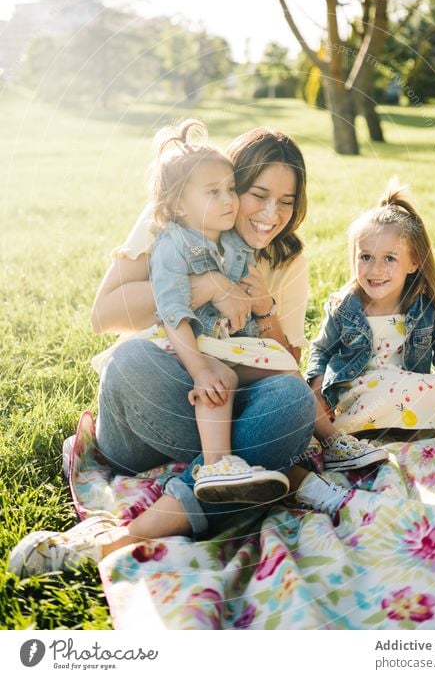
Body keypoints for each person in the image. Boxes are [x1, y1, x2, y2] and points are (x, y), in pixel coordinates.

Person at [9, 126, 335, 578]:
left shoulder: (285, 257)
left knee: (292, 402)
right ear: (228, 184)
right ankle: (255, 468)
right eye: (258, 194)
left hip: (225, 404)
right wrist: (205, 285)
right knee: (131, 361)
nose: (270, 214)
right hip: (153, 411)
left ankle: (124, 538)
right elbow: (103, 316)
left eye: (286, 202)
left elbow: (284, 364)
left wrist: (265, 308)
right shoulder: (170, 217)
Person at [142, 118, 299, 505]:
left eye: (230, 189)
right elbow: (171, 310)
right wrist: (199, 368)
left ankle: (329, 441)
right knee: (221, 378)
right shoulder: (172, 240)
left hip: (225, 345)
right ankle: (215, 464)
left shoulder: (233, 241)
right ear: (178, 203)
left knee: (287, 374)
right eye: (216, 191)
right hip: (187, 351)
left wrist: (263, 306)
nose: (229, 200)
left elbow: (256, 309)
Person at [305, 180, 435, 443]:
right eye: (365, 257)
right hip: (363, 394)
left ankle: (412, 424)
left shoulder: (431, 308)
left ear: (414, 262)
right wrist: (317, 388)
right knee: (388, 385)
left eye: (390, 258)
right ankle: (352, 430)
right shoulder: (343, 306)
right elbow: (321, 351)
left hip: (412, 390)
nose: (375, 269)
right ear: (353, 257)